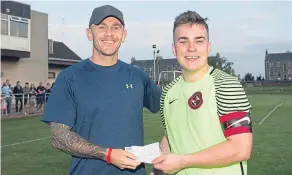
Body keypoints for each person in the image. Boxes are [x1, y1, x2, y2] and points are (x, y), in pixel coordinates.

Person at [42, 5, 161, 175]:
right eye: (102, 27)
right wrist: (108, 154)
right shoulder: (70, 77)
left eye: (116, 27)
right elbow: (59, 137)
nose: (109, 34)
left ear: (124, 35)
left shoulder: (137, 76)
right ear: (89, 33)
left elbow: (170, 108)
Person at [152, 10, 253, 175]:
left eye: (199, 41)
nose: (191, 48)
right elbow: (171, 137)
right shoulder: (168, 92)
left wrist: (183, 161)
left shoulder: (226, 85)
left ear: (208, 47)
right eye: (183, 42)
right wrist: (157, 169)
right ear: (173, 49)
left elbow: (240, 148)